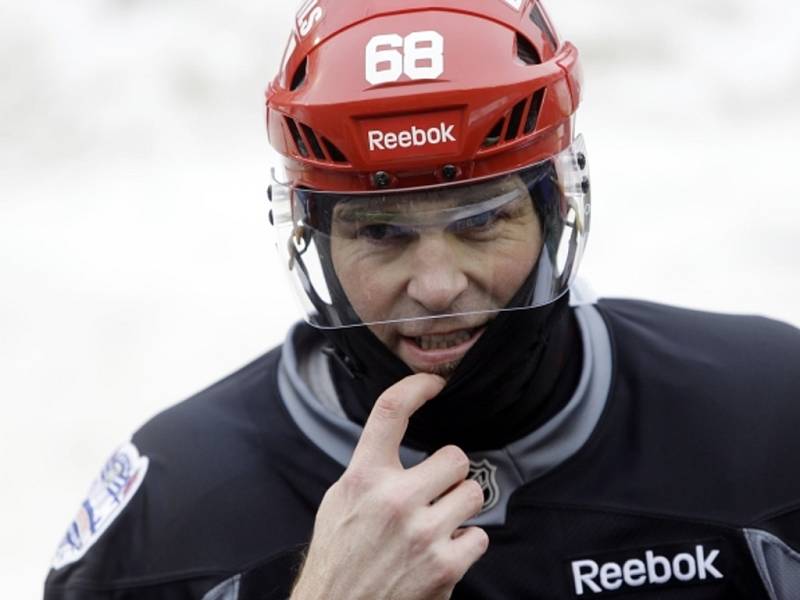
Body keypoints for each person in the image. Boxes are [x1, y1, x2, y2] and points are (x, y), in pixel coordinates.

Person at [44, 1, 800, 598]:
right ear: (311, 237)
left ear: (557, 205)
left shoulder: (772, 419)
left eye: (481, 220)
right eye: (379, 232)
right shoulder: (166, 520)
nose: (437, 286)